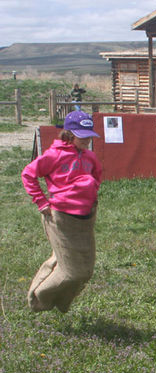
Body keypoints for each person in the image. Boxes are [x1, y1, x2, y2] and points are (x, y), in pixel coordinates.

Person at [21, 111, 102, 313]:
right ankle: (40, 298)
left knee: (85, 270)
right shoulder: (54, 155)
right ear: (69, 134)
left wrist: (90, 193)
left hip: (84, 218)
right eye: (81, 135)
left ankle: (60, 301)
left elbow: (96, 176)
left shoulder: (90, 157)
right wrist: (41, 202)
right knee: (73, 272)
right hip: (61, 216)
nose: (87, 139)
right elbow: (28, 174)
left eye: (89, 135)